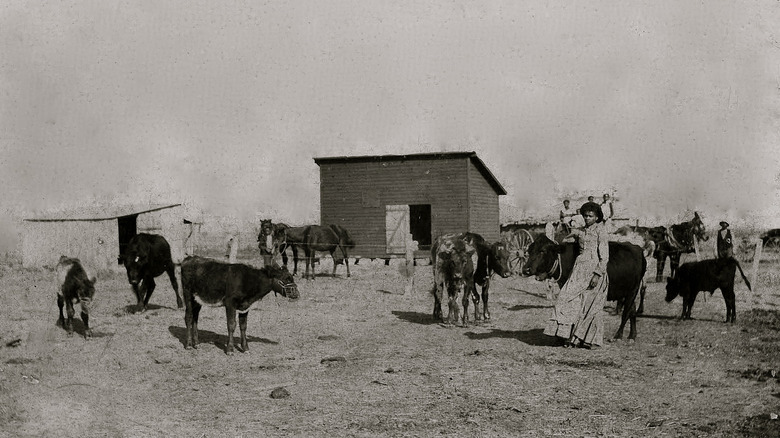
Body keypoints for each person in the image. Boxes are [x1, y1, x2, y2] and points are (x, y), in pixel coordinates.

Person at [544, 201, 609, 349]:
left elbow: (604, 256)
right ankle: (566, 335)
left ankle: (588, 340)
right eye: (585, 216)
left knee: (590, 306)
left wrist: (597, 274)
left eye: (591, 216)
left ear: (597, 217)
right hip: (579, 269)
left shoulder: (601, 231)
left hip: (594, 270)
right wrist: (569, 235)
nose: (587, 219)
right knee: (566, 298)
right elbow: (564, 240)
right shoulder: (580, 231)